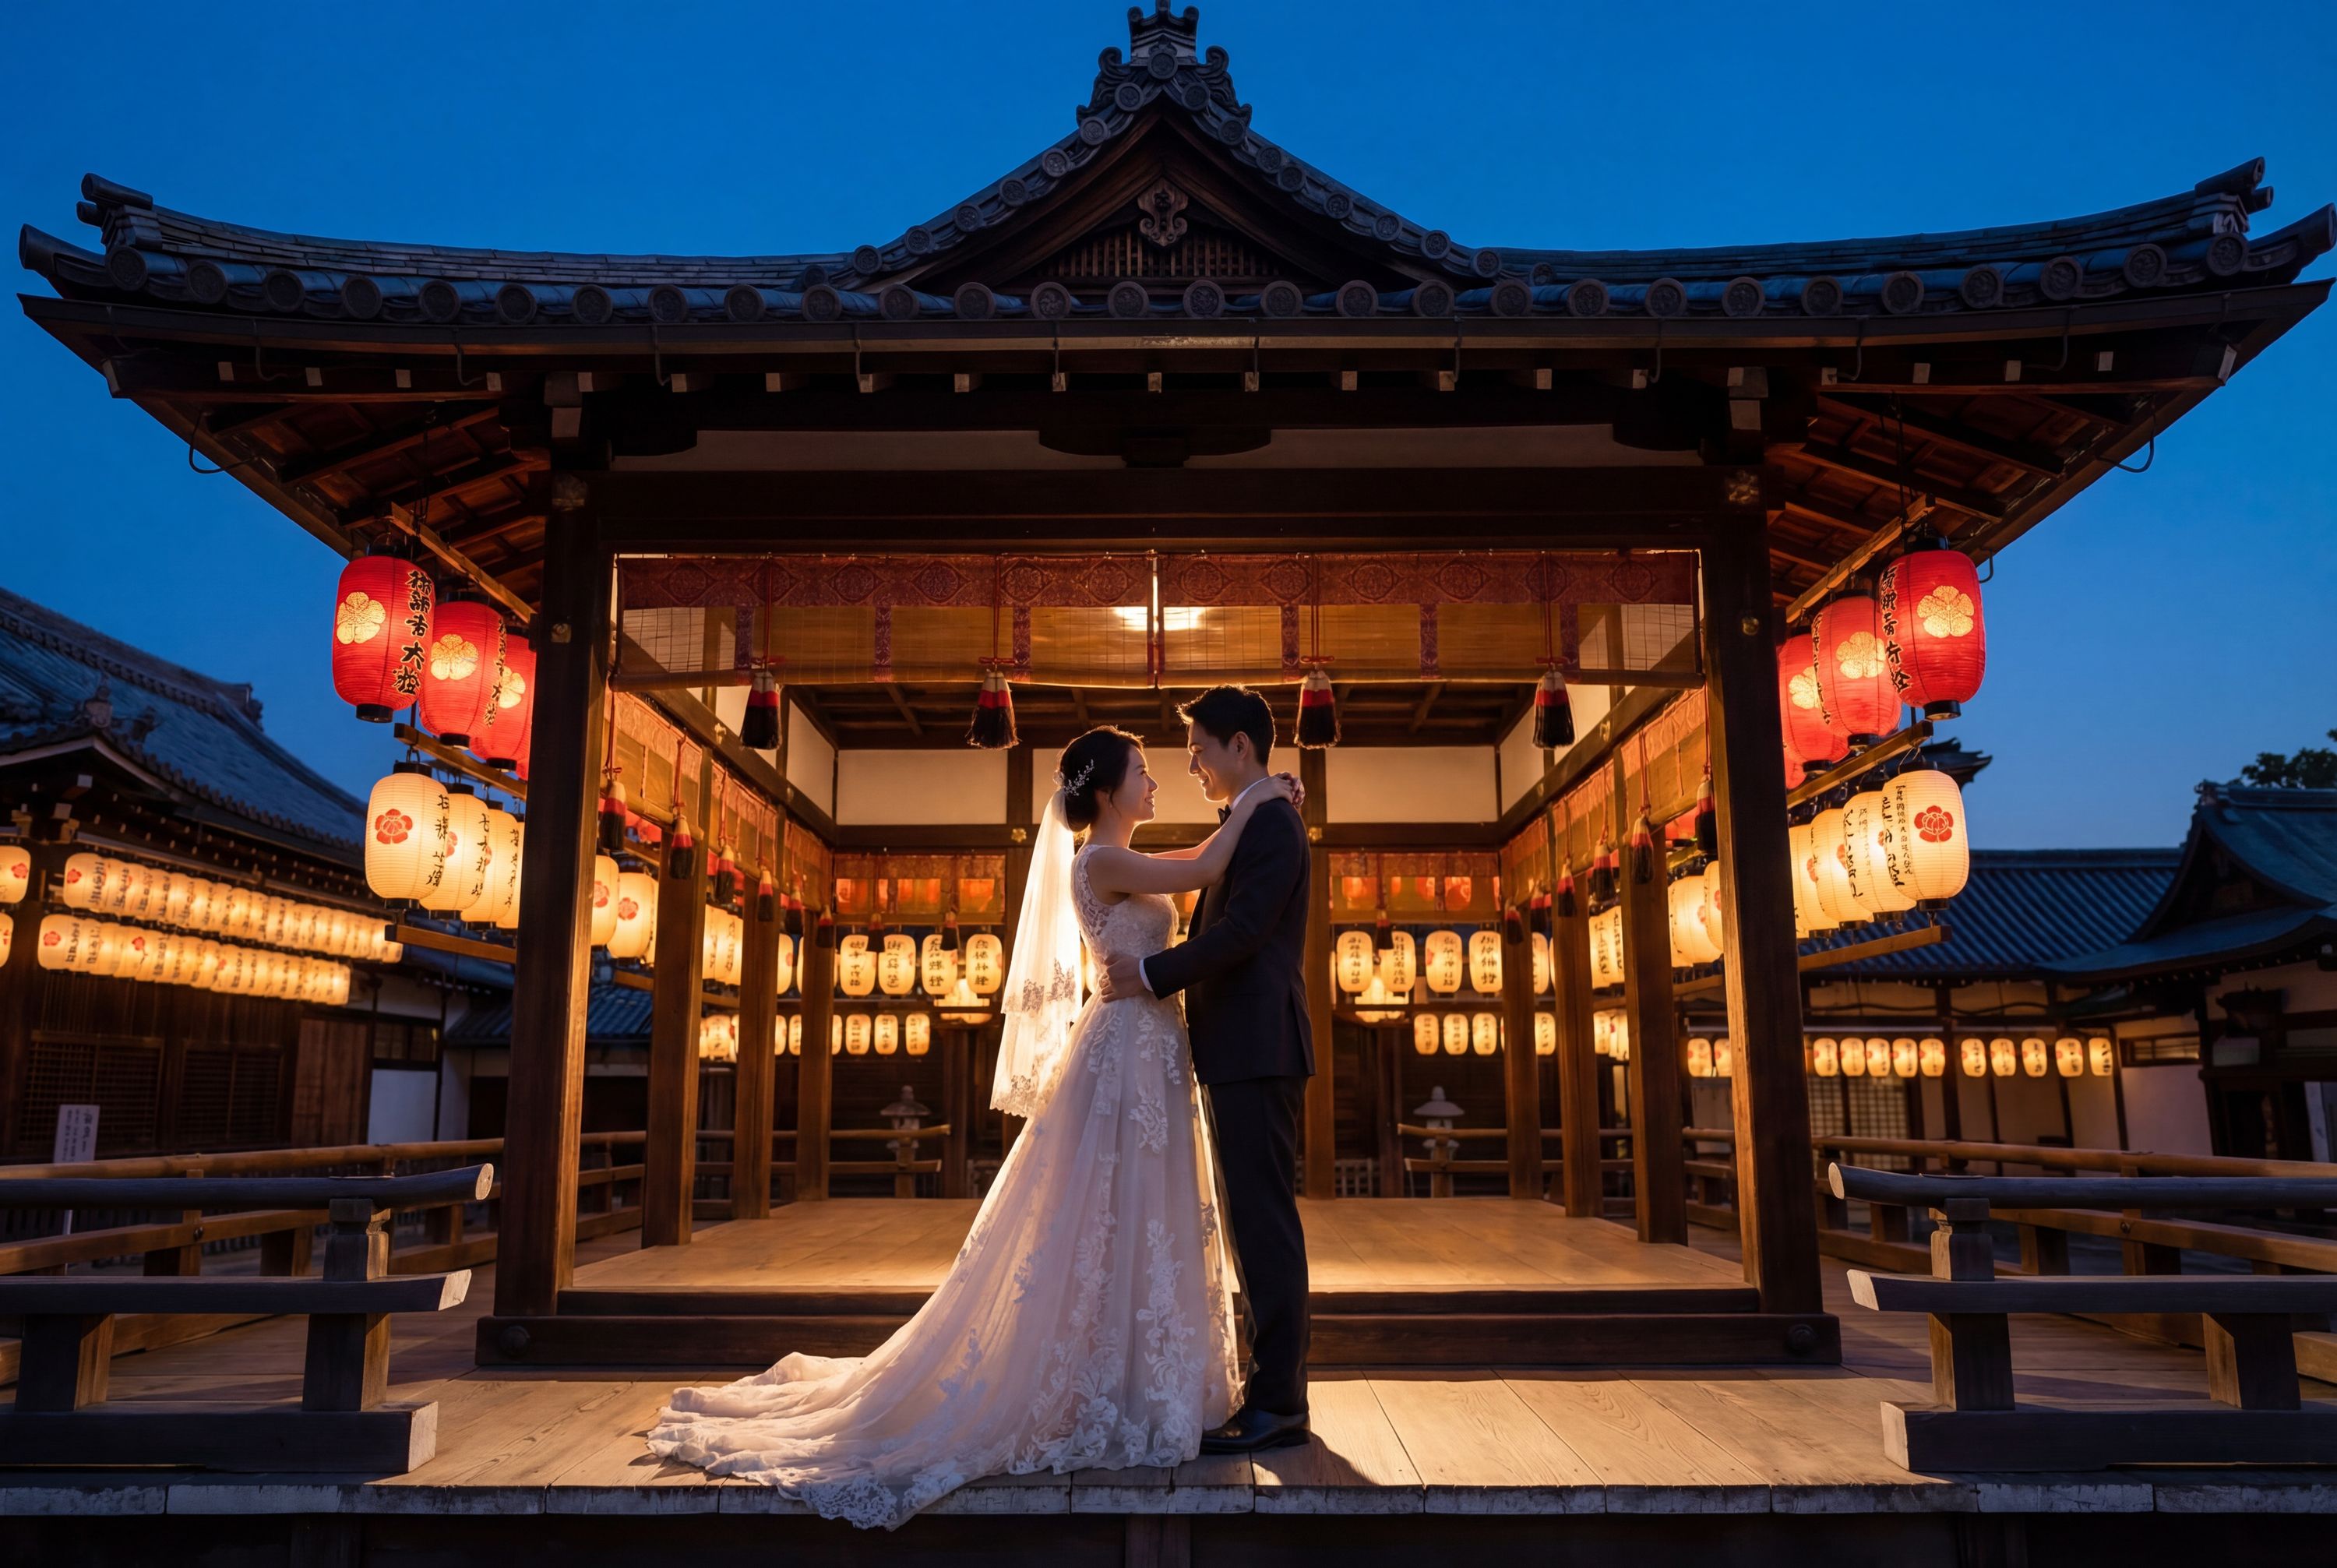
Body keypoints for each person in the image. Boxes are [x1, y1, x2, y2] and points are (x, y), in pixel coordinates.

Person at [646, 723, 1300, 1529]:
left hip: (1150, 1050)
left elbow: (1200, 862)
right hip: (1127, 1051)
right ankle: (1108, 1382)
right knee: (1106, 1211)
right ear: (1105, 791)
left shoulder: (1123, 857)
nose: (1157, 780)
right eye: (1142, 771)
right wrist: (1263, 795)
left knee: (1142, 1214)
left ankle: (1137, 1378)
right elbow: (1205, 865)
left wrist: (1254, 805)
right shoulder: (1099, 859)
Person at [1095, 685, 1315, 1456]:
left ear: (1240, 747)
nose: (1190, 763)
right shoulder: (1254, 819)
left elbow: (1247, 932)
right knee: (1254, 1222)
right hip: (1239, 1049)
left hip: (1258, 1049)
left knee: (1264, 1224)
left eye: (1197, 748)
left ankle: (1280, 1405)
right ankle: (1270, 1395)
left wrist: (1151, 973)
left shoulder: (1274, 824)